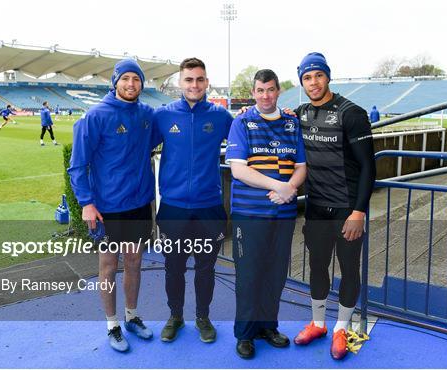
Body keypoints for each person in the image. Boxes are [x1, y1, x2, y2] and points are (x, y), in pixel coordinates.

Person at [68, 59, 157, 352]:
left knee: (134, 262)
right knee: (108, 266)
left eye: (136, 79)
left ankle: (132, 317)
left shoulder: (147, 114)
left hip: (140, 204)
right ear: (115, 82)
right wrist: (86, 203)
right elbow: (78, 166)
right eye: (126, 79)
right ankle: (112, 324)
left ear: (142, 84)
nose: (131, 84)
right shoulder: (95, 116)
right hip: (107, 207)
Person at [292, 52, 375, 360]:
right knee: (316, 267)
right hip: (316, 208)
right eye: (307, 77)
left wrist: (358, 212)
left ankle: (340, 327)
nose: (313, 82)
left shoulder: (350, 113)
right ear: (301, 81)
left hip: (346, 209)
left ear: (328, 77)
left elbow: (369, 166)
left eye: (318, 76)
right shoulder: (299, 113)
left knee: (349, 269)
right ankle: (317, 323)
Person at [225, 69, 306, 359]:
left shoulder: (291, 124)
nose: (265, 96)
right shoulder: (242, 121)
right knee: (248, 275)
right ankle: (245, 334)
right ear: (253, 92)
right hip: (249, 214)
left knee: (275, 274)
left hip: (282, 216)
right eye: (260, 90)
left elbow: (300, 165)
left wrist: (291, 188)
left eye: (270, 90)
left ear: (278, 91)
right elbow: (239, 169)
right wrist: (280, 187)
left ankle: (267, 326)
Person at [153, 57, 233, 343]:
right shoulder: (162, 116)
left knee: (205, 268)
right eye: (189, 79)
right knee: (173, 268)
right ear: (179, 82)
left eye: (200, 79)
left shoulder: (221, 117)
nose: (194, 84)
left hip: (209, 207)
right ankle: (175, 316)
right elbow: (135, 148)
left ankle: (203, 316)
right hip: (173, 207)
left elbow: (248, 137)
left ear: (207, 82)